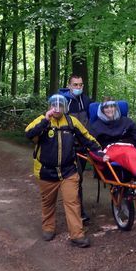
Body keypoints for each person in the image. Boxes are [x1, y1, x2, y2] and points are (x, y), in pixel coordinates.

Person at [25, 94, 101, 248]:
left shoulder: (72, 122)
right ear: (49, 106)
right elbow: (29, 133)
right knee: (48, 202)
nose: (57, 108)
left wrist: (101, 152)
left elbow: (87, 138)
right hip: (46, 171)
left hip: (68, 170)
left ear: (65, 107)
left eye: (60, 105)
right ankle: (48, 228)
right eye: (54, 105)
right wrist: (45, 120)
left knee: (72, 202)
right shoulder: (42, 120)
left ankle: (77, 235)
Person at [59, 74, 92, 223]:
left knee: (80, 178)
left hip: (83, 146)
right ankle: (78, 212)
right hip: (69, 147)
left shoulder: (86, 100)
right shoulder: (62, 101)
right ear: (69, 85)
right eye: (75, 85)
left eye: (80, 85)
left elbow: (91, 121)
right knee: (75, 178)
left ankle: (77, 208)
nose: (78, 87)